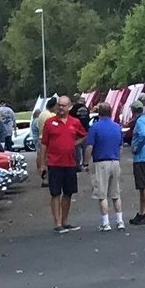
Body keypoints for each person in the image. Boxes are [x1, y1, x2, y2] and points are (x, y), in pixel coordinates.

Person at [39, 93, 87, 233]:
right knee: (55, 193)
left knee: (68, 192)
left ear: (69, 107)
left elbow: (84, 135)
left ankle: (65, 221)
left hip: (70, 163)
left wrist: (74, 144)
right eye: (59, 105)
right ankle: (57, 222)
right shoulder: (50, 123)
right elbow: (43, 145)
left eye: (63, 106)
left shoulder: (75, 122)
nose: (60, 108)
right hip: (54, 163)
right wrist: (42, 164)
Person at [87, 103, 126, 231]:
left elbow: (90, 146)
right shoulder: (117, 127)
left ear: (99, 113)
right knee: (116, 193)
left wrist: (86, 162)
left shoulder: (95, 127)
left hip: (101, 162)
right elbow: (120, 146)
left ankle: (106, 222)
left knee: (102, 194)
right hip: (115, 161)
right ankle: (120, 221)